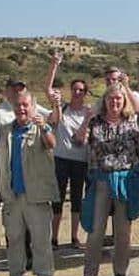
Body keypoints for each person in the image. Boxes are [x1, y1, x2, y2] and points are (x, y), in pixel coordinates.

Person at [76, 83, 139, 276]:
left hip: (125, 181)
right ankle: (89, 274)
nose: (115, 102)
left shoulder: (131, 123)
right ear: (104, 101)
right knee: (96, 230)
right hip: (101, 180)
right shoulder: (95, 122)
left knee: (123, 231)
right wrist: (86, 120)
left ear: (124, 101)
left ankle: (120, 272)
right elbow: (78, 141)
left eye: (119, 98)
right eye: (111, 98)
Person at [0, 90, 57, 276]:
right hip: (12, 195)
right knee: (14, 238)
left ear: (33, 106)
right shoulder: (4, 131)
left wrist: (44, 127)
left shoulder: (41, 128)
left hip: (36, 194)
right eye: (18, 105)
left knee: (40, 238)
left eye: (26, 105)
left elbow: (51, 144)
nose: (22, 108)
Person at [44, 53, 90, 248]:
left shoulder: (89, 112)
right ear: (70, 91)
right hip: (61, 159)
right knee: (58, 199)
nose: (77, 92)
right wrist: (54, 65)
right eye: (74, 89)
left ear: (85, 93)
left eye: (81, 90)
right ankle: (53, 237)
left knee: (77, 200)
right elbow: (47, 89)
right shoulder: (61, 108)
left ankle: (74, 237)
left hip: (81, 160)